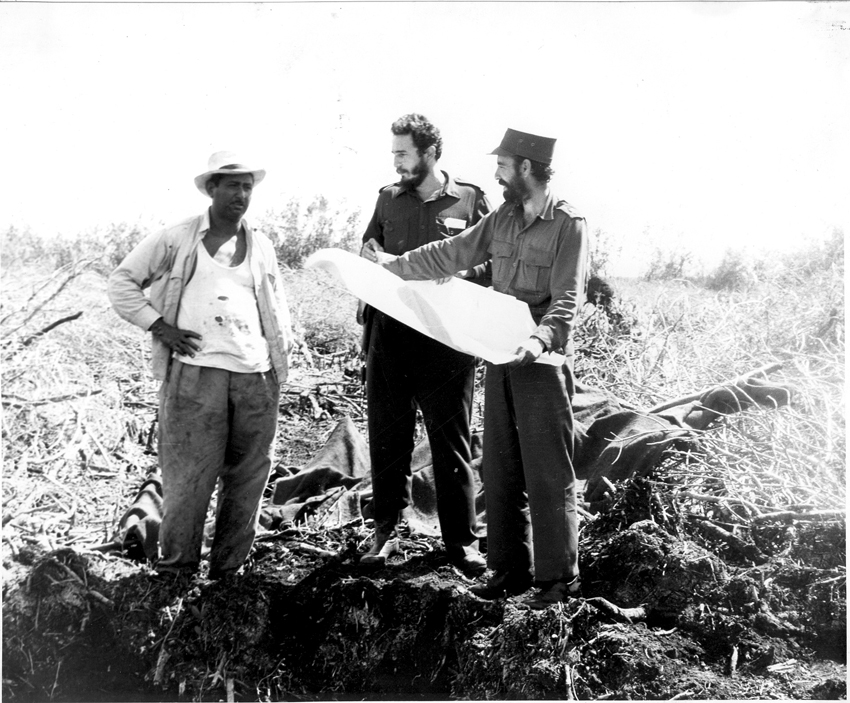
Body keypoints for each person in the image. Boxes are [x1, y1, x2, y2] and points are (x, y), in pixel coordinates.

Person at [379, 128, 588, 609]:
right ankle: (507, 570)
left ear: (527, 168)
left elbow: (567, 300)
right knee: (499, 465)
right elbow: (450, 253)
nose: (496, 175)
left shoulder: (568, 223)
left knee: (547, 473)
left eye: (503, 166)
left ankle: (559, 581)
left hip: (541, 362)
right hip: (500, 354)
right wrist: (390, 268)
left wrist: (537, 342)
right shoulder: (503, 218)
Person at [108, 151, 293, 579]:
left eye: (247, 186)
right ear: (211, 188)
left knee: (249, 478)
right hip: (196, 375)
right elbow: (122, 282)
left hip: (255, 377)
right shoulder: (177, 238)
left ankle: (228, 574)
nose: (241, 194)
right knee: (188, 476)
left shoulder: (261, 244)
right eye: (232, 185)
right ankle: (176, 572)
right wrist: (161, 328)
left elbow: (277, 307)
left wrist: (280, 362)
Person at [358, 114, 492, 574]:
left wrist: (464, 272)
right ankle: (386, 531)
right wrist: (368, 256)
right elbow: (368, 251)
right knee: (387, 437)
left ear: (430, 153)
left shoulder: (470, 200)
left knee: (450, 440)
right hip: (390, 335)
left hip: (446, 341)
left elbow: (495, 261)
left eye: (403, 153)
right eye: (394, 153)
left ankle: (461, 543)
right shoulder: (387, 199)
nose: (396, 162)